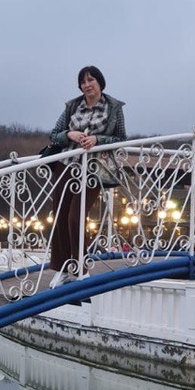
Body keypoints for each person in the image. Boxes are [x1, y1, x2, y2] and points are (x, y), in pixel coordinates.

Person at [45, 66, 126, 281]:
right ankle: (63, 269)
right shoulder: (73, 106)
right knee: (60, 217)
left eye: (91, 80)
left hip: (94, 168)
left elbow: (121, 139)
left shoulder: (114, 108)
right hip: (66, 164)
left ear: (100, 82)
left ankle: (81, 268)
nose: (86, 85)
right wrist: (69, 134)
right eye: (83, 82)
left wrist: (98, 140)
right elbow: (54, 135)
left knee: (75, 217)